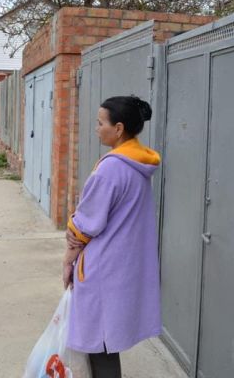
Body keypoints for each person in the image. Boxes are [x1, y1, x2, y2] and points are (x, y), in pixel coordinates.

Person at [63, 96, 161, 378]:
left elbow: (86, 224)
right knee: (106, 339)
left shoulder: (111, 168)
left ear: (118, 129)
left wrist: (68, 260)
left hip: (102, 267)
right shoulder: (139, 164)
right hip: (122, 264)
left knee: (99, 342)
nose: (96, 129)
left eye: (100, 123)